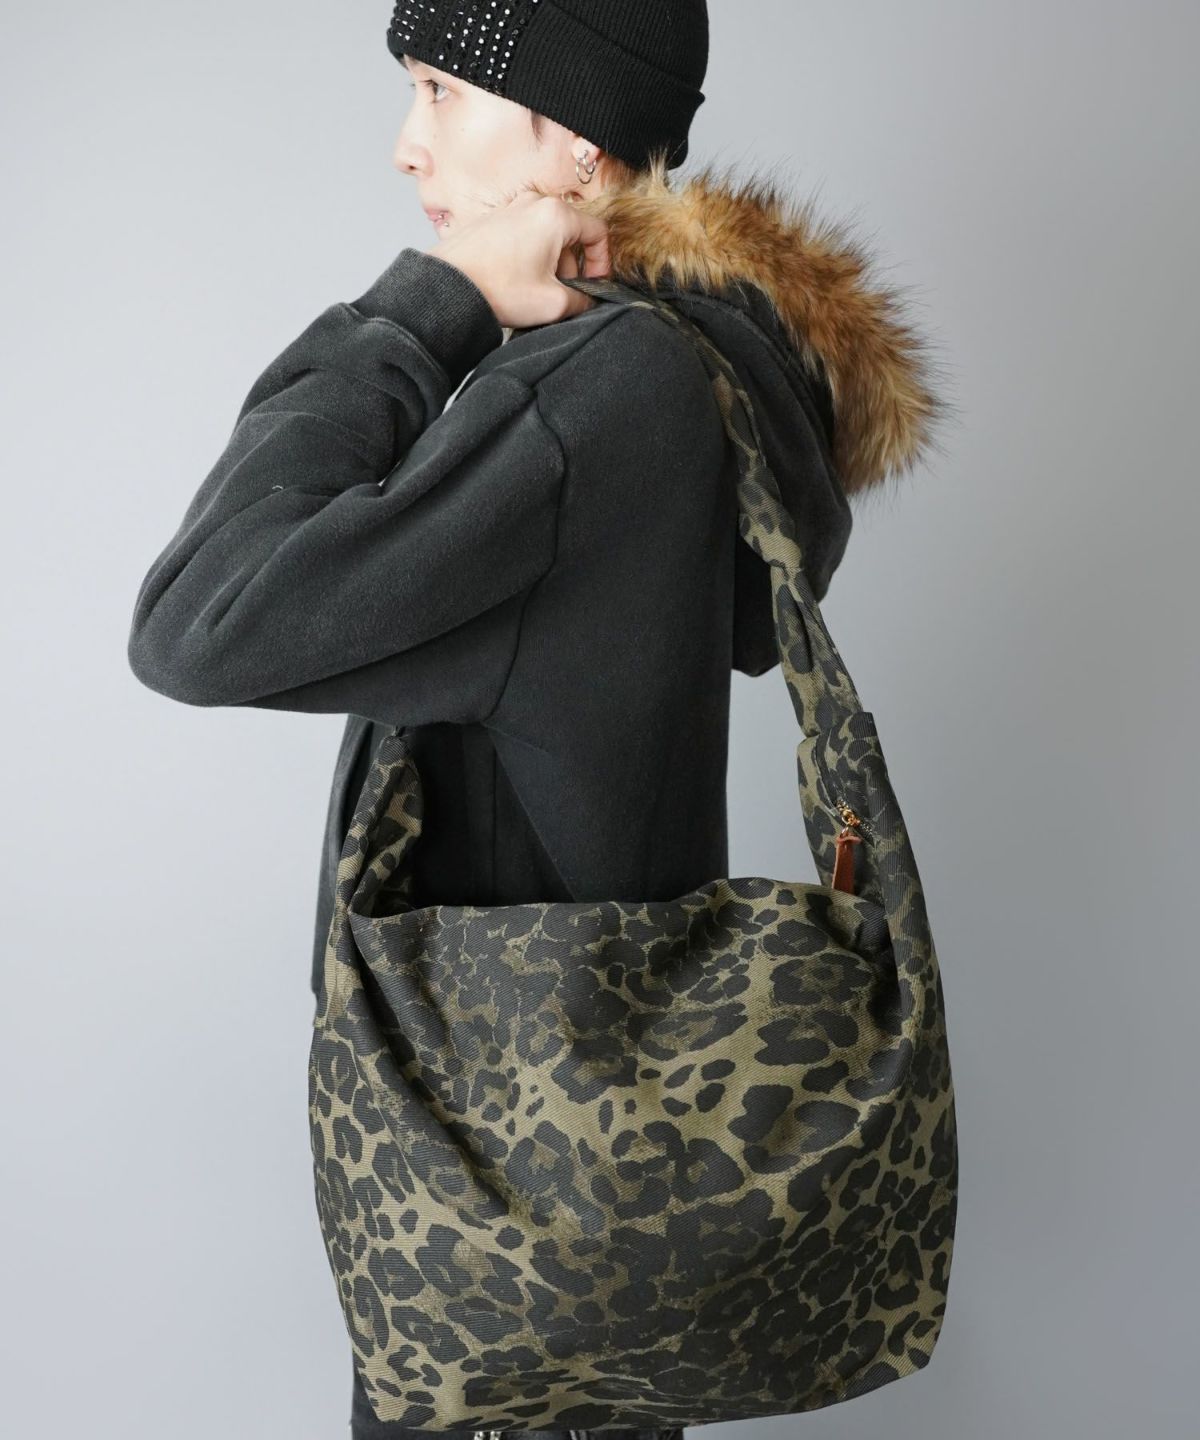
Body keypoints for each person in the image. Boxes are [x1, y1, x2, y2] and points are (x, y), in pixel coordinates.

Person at [126, 3, 946, 1437]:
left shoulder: (598, 391)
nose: (408, 145)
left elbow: (200, 618)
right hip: (602, 1177)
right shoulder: (682, 372)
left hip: (504, 1197)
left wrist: (420, 308)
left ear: (572, 135)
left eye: (442, 89)